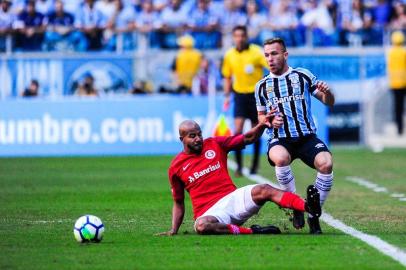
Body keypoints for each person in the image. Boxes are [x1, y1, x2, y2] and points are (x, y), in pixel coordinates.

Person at [158, 117, 321, 236]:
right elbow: (178, 202)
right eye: (192, 136)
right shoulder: (176, 167)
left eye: (199, 134)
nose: (198, 139)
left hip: (233, 198)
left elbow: (247, 138)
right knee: (201, 226)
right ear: (182, 139)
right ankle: (253, 231)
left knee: (264, 189)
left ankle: (309, 207)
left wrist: (262, 125)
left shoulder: (214, 143)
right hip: (210, 212)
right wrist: (174, 229)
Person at [255, 37, 335, 234]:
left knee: (326, 163)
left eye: (274, 53)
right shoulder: (262, 86)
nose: (270, 59)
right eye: (266, 55)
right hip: (280, 138)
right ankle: (295, 205)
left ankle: (313, 215)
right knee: (280, 158)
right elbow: (261, 117)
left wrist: (328, 93)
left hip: (307, 137)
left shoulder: (302, 76)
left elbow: (328, 102)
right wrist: (269, 121)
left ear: (285, 54)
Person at [222, 25, 269, 176]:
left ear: (246, 36)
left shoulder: (256, 52)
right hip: (239, 96)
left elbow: (271, 67)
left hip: (256, 96)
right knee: (237, 131)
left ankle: (255, 165)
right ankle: (239, 167)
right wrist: (227, 96)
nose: (239, 38)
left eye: (242, 35)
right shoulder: (229, 55)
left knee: (256, 132)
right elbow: (227, 76)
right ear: (233, 38)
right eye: (236, 36)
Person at [386, 30, 406, 136]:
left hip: (394, 84)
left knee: (397, 108)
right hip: (404, 82)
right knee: (399, 107)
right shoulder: (403, 52)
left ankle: (400, 129)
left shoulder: (391, 53)